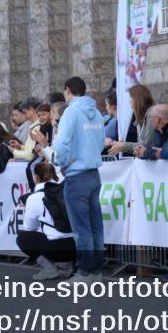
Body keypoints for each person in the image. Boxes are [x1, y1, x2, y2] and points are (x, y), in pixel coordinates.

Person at [52, 77, 107, 280]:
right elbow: (101, 143)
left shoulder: (71, 112)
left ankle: (85, 271)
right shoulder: (97, 114)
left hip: (76, 175)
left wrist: (60, 161)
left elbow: (61, 144)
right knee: (95, 226)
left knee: (81, 228)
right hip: (94, 173)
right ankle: (96, 271)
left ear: (67, 90)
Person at [17, 161, 76, 280]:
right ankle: (66, 266)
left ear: (36, 177)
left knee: (22, 238)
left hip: (57, 247)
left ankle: (50, 269)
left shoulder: (33, 197)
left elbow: (29, 227)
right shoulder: (66, 190)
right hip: (77, 245)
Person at [109, 85, 156, 157]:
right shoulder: (141, 117)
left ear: (137, 99)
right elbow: (140, 146)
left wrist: (124, 146)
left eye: (130, 97)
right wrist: (121, 145)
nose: (129, 101)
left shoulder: (152, 114)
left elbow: (146, 145)